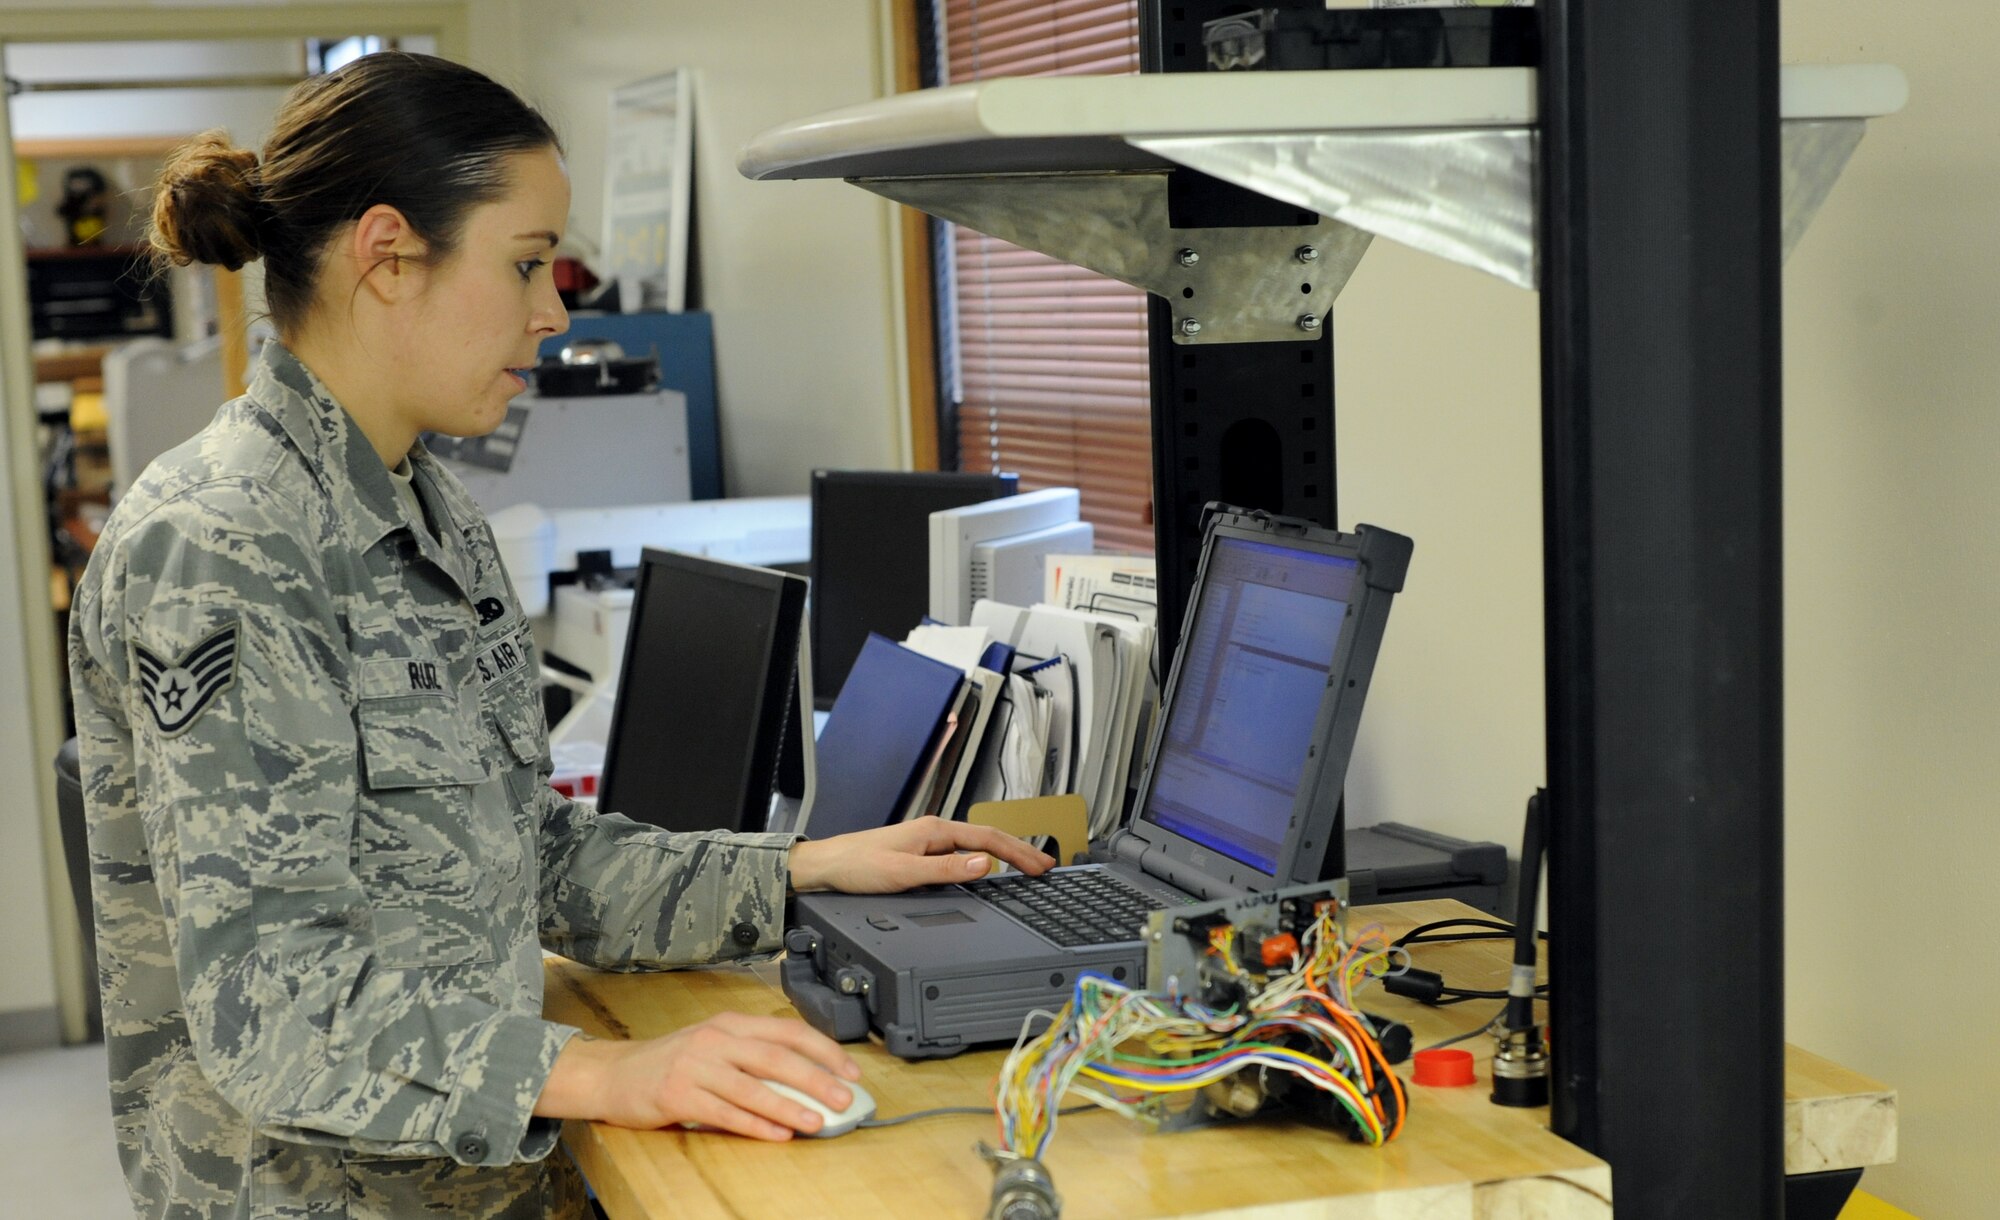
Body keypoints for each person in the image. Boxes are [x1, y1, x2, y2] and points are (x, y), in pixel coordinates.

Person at [67, 52, 1053, 1220]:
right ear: (388, 255)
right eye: (527, 263)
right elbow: (266, 1005)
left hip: (485, 1177)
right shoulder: (227, 543)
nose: (555, 311)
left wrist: (796, 873)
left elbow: (527, 856)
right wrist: (610, 1069)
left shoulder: (429, 509)